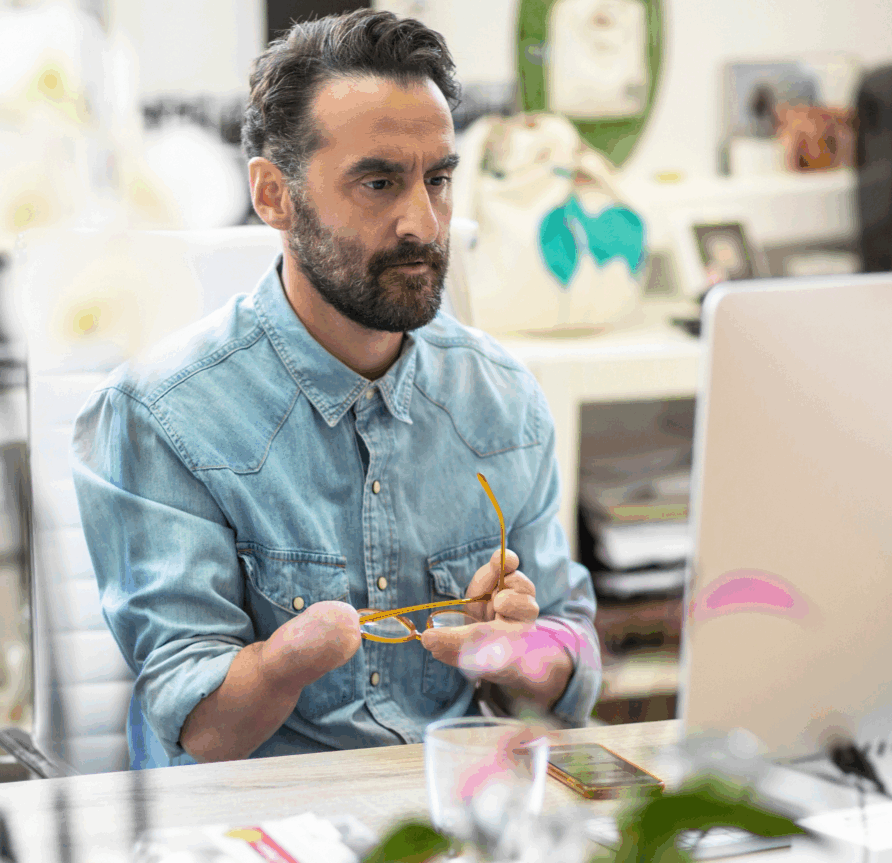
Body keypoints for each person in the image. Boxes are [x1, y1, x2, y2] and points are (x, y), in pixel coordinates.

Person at [71, 10, 601, 769]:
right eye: (379, 182)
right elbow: (202, 730)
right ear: (273, 195)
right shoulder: (158, 414)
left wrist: (524, 656)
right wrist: (290, 656)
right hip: (257, 824)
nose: (423, 222)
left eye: (439, 180)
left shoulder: (504, 399)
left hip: (452, 810)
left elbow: (572, 659)